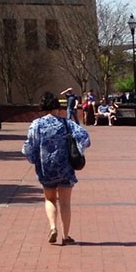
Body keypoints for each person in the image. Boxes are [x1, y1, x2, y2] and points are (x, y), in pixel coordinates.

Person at [22, 91, 91, 245]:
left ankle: (53, 227)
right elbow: (85, 137)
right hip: (65, 167)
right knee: (65, 203)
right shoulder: (66, 123)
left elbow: (29, 147)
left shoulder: (36, 125)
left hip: (46, 167)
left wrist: (34, 159)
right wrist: (77, 151)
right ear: (57, 107)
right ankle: (66, 236)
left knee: (50, 198)